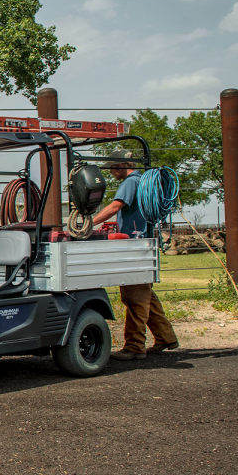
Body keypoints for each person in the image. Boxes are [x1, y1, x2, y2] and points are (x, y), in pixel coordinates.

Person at [93, 151, 179, 361]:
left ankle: (134, 346)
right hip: (144, 242)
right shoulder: (144, 181)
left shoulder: (131, 182)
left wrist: (89, 224)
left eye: (112, 168)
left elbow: (115, 206)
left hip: (134, 246)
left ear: (121, 165)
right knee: (145, 295)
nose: (111, 172)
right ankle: (166, 337)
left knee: (134, 297)